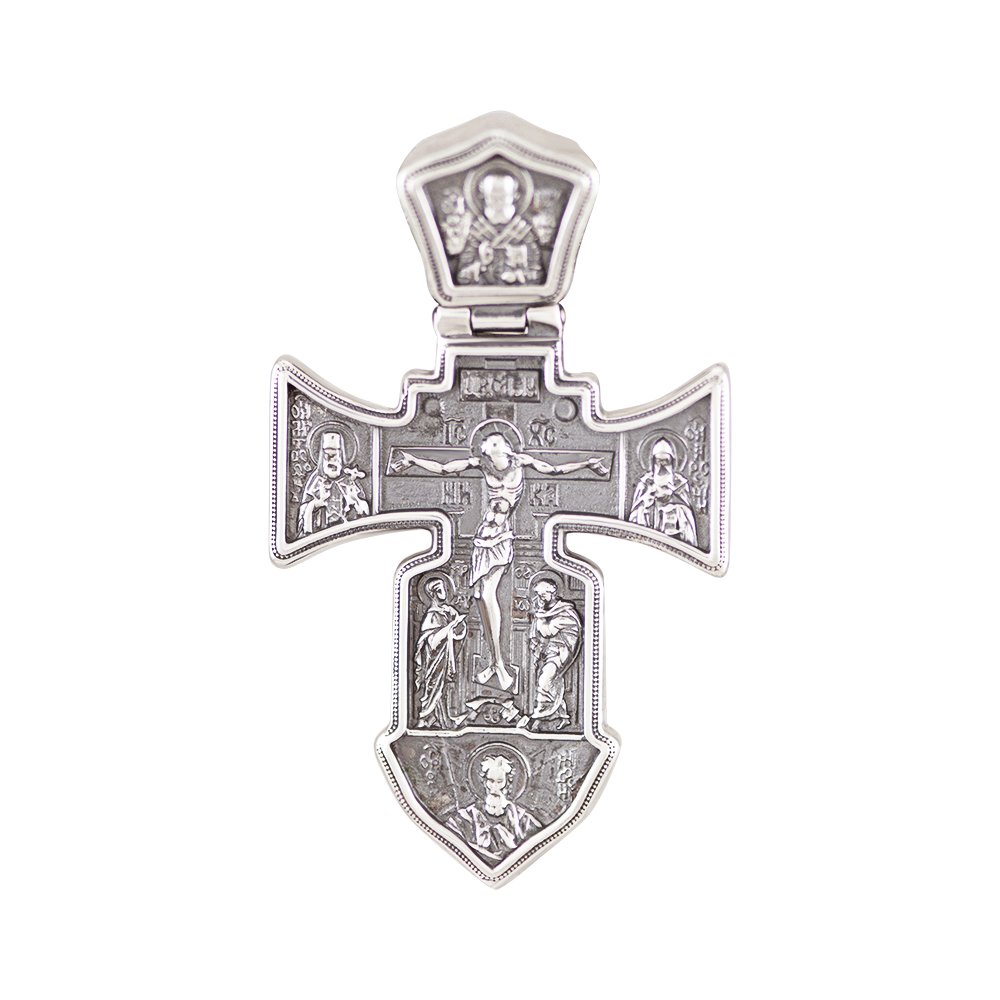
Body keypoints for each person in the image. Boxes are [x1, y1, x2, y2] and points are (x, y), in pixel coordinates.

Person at [391, 434, 607, 689]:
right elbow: (444, 468)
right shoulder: (482, 465)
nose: (489, 452)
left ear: (506, 448)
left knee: (488, 595)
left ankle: (499, 664)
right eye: (487, 449)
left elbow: (555, 469)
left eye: (494, 445)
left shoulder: (522, 462)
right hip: (481, 540)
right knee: (479, 596)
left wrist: (588, 464)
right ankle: (494, 663)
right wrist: (413, 460)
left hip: (500, 541)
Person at [445, 753, 541, 862]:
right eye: (490, 781)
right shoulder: (465, 818)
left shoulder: (523, 820)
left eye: (499, 781)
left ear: (508, 782)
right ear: (484, 782)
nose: (494, 787)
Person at [520, 580, 582, 731]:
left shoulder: (564, 613)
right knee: (552, 683)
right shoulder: (547, 611)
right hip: (551, 651)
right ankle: (564, 716)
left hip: (561, 652)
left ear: (553, 592)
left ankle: (537, 719)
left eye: (543, 595)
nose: (540, 598)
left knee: (544, 681)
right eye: (538, 595)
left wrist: (540, 615)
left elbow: (547, 631)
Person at [413, 579, 467, 729]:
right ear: (434, 593)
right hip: (433, 661)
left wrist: (458, 624)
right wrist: (451, 626)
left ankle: (441, 720)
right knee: (433, 689)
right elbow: (432, 641)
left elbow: (457, 635)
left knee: (442, 690)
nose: (446, 592)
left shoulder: (447, 611)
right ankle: (425, 718)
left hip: (445, 657)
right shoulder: (432, 616)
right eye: (442, 589)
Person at [297, 431, 369, 535]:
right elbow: (304, 509)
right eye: (327, 456)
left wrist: (356, 502)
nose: (331, 461)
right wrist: (315, 504)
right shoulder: (316, 480)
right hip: (321, 534)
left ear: (341, 456)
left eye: (335, 456)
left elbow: (363, 508)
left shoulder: (349, 480)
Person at [628, 437, 697, 545]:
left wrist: (675, 508)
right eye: (658, 461)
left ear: (673, 462)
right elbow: (634, 516)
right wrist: (645, 506)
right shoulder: (645, 484)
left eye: (666, 462)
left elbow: (687, 513)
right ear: (653, 462)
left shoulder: (680, 484)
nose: (662, 466)